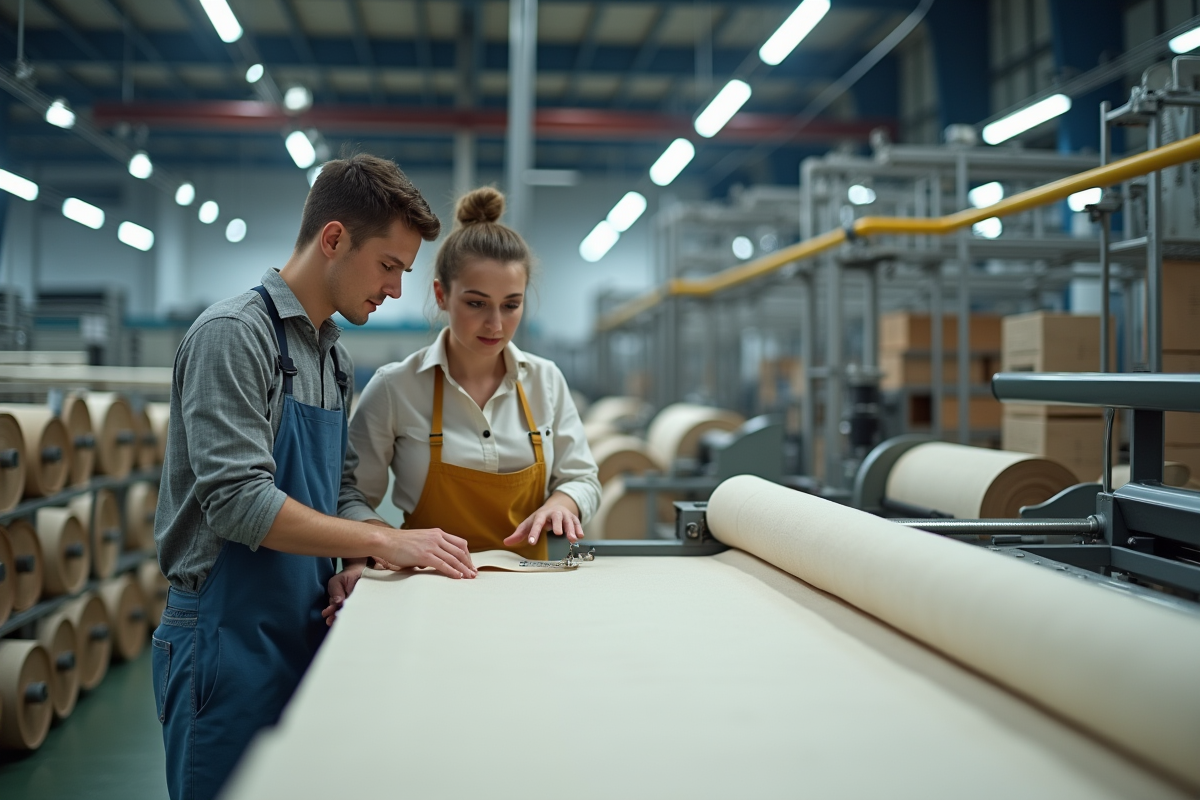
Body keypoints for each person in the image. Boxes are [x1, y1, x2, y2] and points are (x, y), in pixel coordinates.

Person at [152, 154, 478, 800]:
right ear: (333, 239)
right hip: (225, 640)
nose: (395, 290)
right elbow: (239, 503)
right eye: (389, 266)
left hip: (302, 626)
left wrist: (354, 559)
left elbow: (336, 490)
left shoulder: (332, 357)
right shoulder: (234, 337)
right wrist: (384, 540)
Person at [349, 187, 601, 561]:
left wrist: (563, 503)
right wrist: (382, 541)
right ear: (441, 295)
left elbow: (582, 478)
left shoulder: (545, 381)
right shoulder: (395, 388)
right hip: (430, 580)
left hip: (531, 580)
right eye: (476, 303)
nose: (495, 324)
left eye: (511, 305)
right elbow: (350, 495)